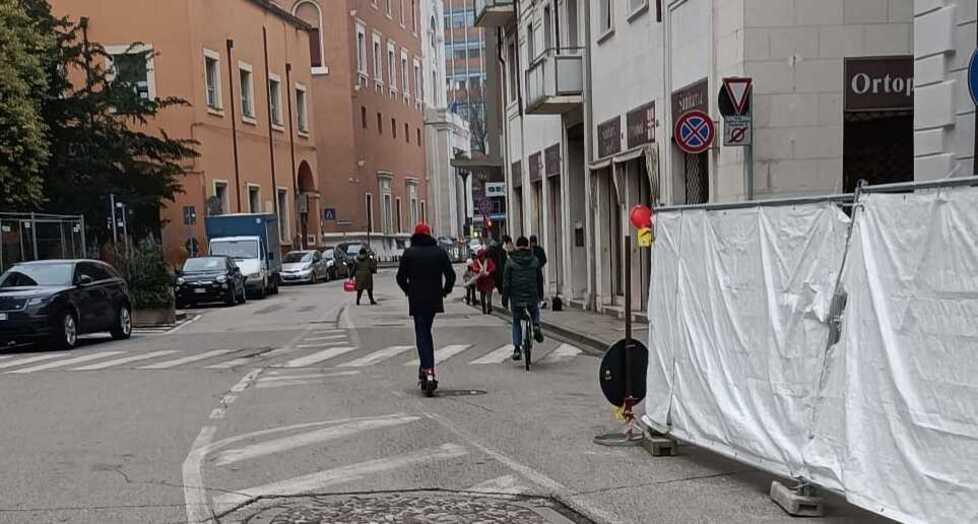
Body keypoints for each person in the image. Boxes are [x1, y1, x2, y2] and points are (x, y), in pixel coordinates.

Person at [396, 223, 456, 393]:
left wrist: (408, 290)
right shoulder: (439, 252)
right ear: (429, 235)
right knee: (426, 331)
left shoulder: (409, 253)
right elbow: (450, 275)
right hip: (434, 299)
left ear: (415, 235)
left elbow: (400, 277)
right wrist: (445, 290)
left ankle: (427, 369)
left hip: (416, 299)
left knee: (422, 333)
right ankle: (426, 369)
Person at [502, 236, 544, 361]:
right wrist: (540, 296)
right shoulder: (535, 260)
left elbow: (506, 283)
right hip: (532, 295)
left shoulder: (510, 261)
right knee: (535, 310)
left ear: (517, 246)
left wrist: (505, 299)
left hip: (516, 297)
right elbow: (539, 280)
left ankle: (516, 348)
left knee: (516, 321)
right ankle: (536, 325)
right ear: (528, 246)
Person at [488, 235, 511, 308]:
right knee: (503, 288)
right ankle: (504, 303)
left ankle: (503, 303)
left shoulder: (497, 249)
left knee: (503, 288)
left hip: (498, 271)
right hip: (502, 271)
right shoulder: (501, 250)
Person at [475, 249, 496, 314]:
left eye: (483, 256)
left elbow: (493, 267)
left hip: (488, 281)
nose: (482, 257)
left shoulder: (488, 260)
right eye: (480, 256)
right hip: (481, 281)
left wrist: (488, 272)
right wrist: (479, 270)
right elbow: (474, 267)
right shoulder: (477, 262)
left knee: (489, 296)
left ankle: (489, 308)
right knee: (482, 297)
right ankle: (484, 309)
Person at [529, 235, 547, 305]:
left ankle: (540, 299)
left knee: (539, 285)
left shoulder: (540, 250)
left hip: (537, 270)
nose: (533, 244)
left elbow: (544, 259)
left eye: (534, 242)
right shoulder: (528, 251)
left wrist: (539, 265)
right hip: (530, 272)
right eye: (531, 242)